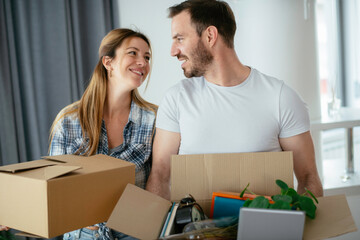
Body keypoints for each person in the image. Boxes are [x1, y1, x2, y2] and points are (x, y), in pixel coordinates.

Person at [146, 0, 323, 200]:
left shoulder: (281, 98)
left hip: (267, 230)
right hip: (194, 229)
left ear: (210, 36)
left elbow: (309, 178)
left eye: (180, 38)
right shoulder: (176, 99)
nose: (173, 51)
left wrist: (297, 224)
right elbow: (160, 176)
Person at [49, 28, 156, 240]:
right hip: (82, 234)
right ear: (108, 63)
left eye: (147, 57)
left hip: (135, 231)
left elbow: (162, 179)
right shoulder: (69, 120)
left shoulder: (154, 119)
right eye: (133, 53)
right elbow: (53, 187)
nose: (142, 62)